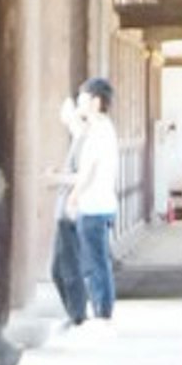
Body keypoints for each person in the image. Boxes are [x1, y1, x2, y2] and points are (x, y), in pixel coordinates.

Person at [56, 72, 122, 326]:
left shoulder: (99, 130)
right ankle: (101, 310)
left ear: (96, 102)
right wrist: (71, 119)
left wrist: (74, 195)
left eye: (83, 99)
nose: (80, 104)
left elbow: (90, 169)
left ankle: (102, 312)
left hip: (94, 204)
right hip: (102, 203)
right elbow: (78, 129)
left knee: (95, 263)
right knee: (98, 260)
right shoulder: (102, 128)